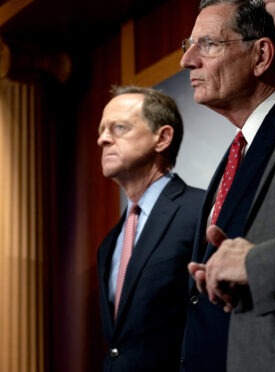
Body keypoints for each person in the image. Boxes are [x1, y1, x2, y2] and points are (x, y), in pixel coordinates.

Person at [187, 0, 275, 372]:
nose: (189, 60)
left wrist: (252, 264)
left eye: (206, 45)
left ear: (260, 56)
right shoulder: (234, 155)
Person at [96, 85, 204, 372]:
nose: (102, 139)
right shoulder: (110, 243)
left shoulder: (202, 211)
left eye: (119, 128)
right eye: (102, 130)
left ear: (163, 138)